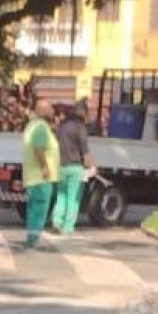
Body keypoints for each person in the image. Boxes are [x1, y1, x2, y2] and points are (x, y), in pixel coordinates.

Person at [50, 98, 93, 237]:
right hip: (75, 167)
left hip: (61, 166)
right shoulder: (80, 127)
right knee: (73, 198)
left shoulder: (62, 127)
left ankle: (56, 221)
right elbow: (85, 150)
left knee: (61, 195)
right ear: (83, 112)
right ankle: (68, 227)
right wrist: (91, 166)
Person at [21, 99, 59, 249]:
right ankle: (34, 239)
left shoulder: (31, 125)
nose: (52, 111)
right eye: (50, 108)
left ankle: (31, 236)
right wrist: (44, 166)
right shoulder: (41, 128)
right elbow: (38, 149)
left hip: (32, 176)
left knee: (33, 208)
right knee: (40, 208)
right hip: (41, 177)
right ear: (42, 111)